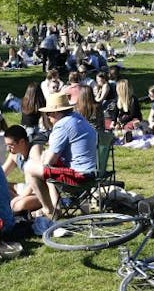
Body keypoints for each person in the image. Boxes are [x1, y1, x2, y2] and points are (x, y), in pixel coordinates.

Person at [22, 92, 97, 220]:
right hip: (92, 172)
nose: (48, 117)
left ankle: (48, 210)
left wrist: (44, 156)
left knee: (29, 167)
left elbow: (49, 161)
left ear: (55, 113)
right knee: (47, 169)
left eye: (48, 113)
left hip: (79, 176)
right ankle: (55, 206)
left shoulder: (62, 125)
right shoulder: (78, 118)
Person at [1, 125, 47, 214]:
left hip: (40, 191)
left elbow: (37, 179)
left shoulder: (35, 150)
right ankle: (13, 202)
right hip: (25, 189)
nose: (8, 149)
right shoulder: (15, 155)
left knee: (20, 205)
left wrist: (21, 197)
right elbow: (1, 174)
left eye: (11, 145)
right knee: (1, 186)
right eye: (6, 145)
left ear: (22, 142)